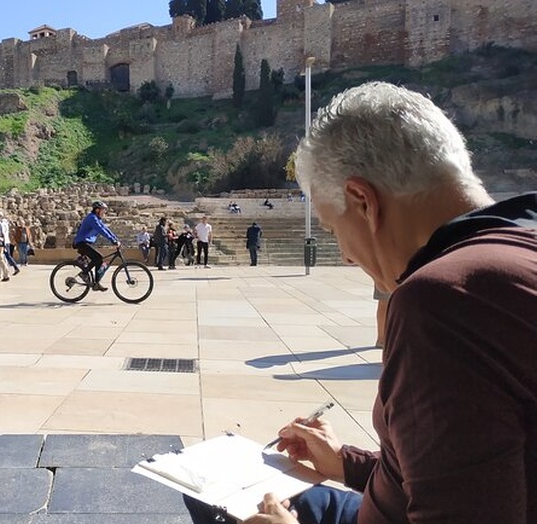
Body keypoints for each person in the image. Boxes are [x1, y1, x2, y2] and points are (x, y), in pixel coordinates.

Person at [187, 81, 537, 523]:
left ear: (363, 201)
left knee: (218, 504)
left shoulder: (444, 301)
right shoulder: (520, 244)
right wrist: (345, 461)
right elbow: (463, 473)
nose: (348, 255)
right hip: (381, 500)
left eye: (334, 229)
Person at [72, 200, 120, 292]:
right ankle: (85, 275)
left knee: (98, 259)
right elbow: (101, 230)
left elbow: (105, 229)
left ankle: (94, 280)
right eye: (103, 210)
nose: (104, 212)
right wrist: (113, 241)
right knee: (98, 258)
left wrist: (115, 239)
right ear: (97, 210)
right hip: (82, 243)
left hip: (86, 243)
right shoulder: (92, 218)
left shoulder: (97, 219)